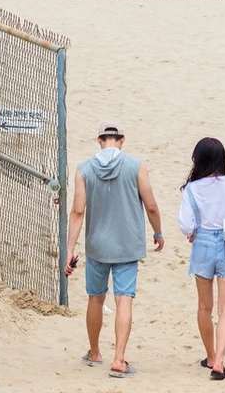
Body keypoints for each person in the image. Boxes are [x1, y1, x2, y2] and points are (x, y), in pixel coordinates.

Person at [65, 124, 164, 379]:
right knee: (124, 299)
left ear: (99, 141)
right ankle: (119, 359)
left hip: (97, 245)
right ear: (121, 141)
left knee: (95, 298)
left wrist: (69, 250)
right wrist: (158, 232)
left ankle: (95, 352)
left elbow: (77, 212)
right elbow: (151, 205)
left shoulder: (84, 170)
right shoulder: (136, 166)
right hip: (128, 245)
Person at [179, 137, 225, 381]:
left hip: (202, 244)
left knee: (204, 306)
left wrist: (193, 233)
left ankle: (210, 355)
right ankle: (220, 360)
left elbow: (185, 225)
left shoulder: (192, 188)